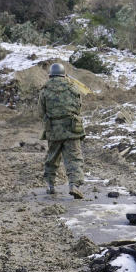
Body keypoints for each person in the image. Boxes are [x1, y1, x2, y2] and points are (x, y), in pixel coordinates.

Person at [39, 62, 85, 199]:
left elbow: (40, 111)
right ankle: (74, 185)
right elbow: (78, 107)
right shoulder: (73, 87)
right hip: (72, 129)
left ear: (50, 75)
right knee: (74, 158)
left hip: (53, 129)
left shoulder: (44, 90)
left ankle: (50, 185)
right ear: (64, 74)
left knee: (52, 157)